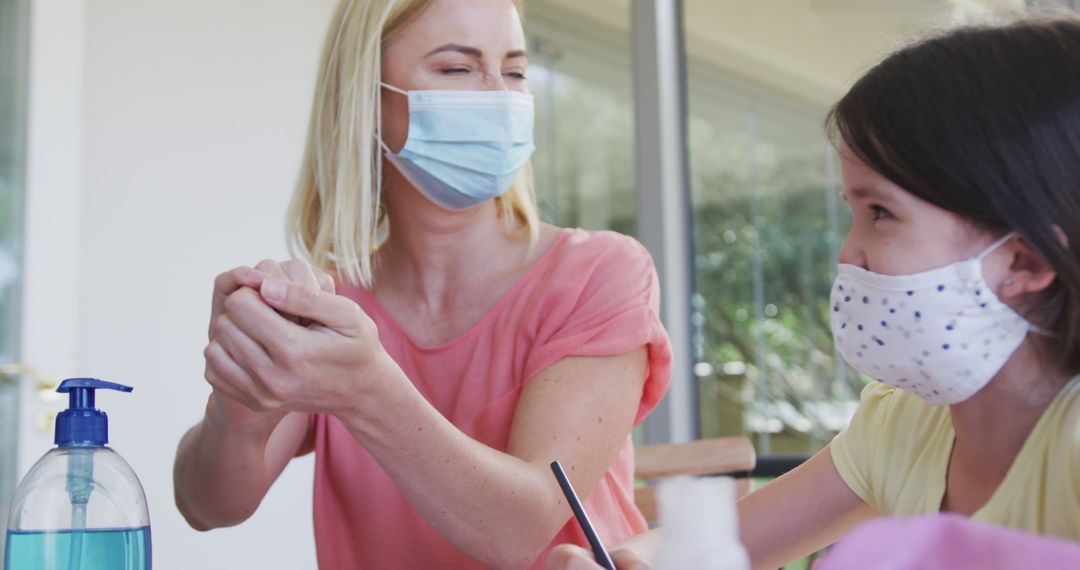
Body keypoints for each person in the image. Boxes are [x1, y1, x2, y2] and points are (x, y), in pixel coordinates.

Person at [548, 15, 1080, 570]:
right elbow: (725, 543)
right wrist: (621, 560)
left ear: (1023, 261)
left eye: (881, 213)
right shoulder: (905, 425)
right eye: (854, 213)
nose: (847, 255)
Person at [171, 0, 672, 568]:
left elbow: (522, 531)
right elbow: (205, 506)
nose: (498, 97)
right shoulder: (332, 307)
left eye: (513, 72)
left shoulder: (599, 274)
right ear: (367, 97)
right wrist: (239, 402)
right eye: (457, 69)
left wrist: (366, 390)